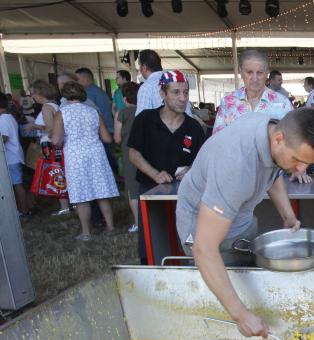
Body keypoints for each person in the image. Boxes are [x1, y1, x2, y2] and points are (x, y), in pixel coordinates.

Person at [175, 109, 314, 337]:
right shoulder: (235, 165)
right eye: (298, 160)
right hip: (203, 229)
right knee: (222, 306)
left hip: (240, 218)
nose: (300, 169)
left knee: (248, 283)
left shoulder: (273, 128)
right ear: (278, 139)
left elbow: (275, 169)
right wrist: (239, 314)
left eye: (308, 164)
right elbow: (204, 249)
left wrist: (287, 214)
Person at [128, 70, 206, 264]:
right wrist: (155, 174)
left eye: (186, 93)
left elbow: (203, 161)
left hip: (185, 192)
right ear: (162, 94)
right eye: (176, 92)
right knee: (152, 239)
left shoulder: (193, 127)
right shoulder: (145, 120)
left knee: (189, 238)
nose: (182, 98)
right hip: (151, 191)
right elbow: (133, 154)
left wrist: (192, 170)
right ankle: (153, 269)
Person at [50, 81, 118, 240]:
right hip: (96, 153)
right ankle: (110, 226)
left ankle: (86, 232)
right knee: (102, 191)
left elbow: (56, 140)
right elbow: (107, 139)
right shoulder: (93, 112)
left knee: (81, 195)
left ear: (65, 95)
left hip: (75, 156)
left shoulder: (62, 113)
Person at [212, 50, 292, 135]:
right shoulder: (228, 101)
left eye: (260, 73)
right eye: (249, 72)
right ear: (241, 72)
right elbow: (217, 139)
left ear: (266, 73)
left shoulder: (282, 103)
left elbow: (291, 140)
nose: (255, 78)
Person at [30, 79, 69, 217]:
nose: (32, 97)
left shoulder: (46, 107)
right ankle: (68, 203)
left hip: (50, 143)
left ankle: (64, 206)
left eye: (32, 94)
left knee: (56, 173)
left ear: (39, 93)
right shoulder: (55, 105)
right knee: (60, 172)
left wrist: (34, 126)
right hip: (58, 143)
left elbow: (51, 128)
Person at [113, 81, 141, 233]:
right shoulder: (144, 111)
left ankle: (138, 223)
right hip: (145, 153)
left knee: (132, 190)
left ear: (124, 99)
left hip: (129, 154)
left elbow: (117, 138)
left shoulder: (121, 113)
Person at [0, 94, 31, 219]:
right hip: (13, 156)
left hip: (11, 158)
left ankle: (24, 211)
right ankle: (22, 210)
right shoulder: (7, 117)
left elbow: (3, 139)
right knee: (16, 185)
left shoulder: (3, 119)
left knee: (17, 185)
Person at [136, 49, 193, 116]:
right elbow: (188, 113)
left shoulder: (146, 87)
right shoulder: (176, 80)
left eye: (139, 65)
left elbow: (141, 120)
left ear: (144, 67)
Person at [75, 68, 113, 133]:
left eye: (77, 79)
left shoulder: (88, 93)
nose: (76, 82)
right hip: (107, 129)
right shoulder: (100, 91)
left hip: (99, 132)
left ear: (86, 79)